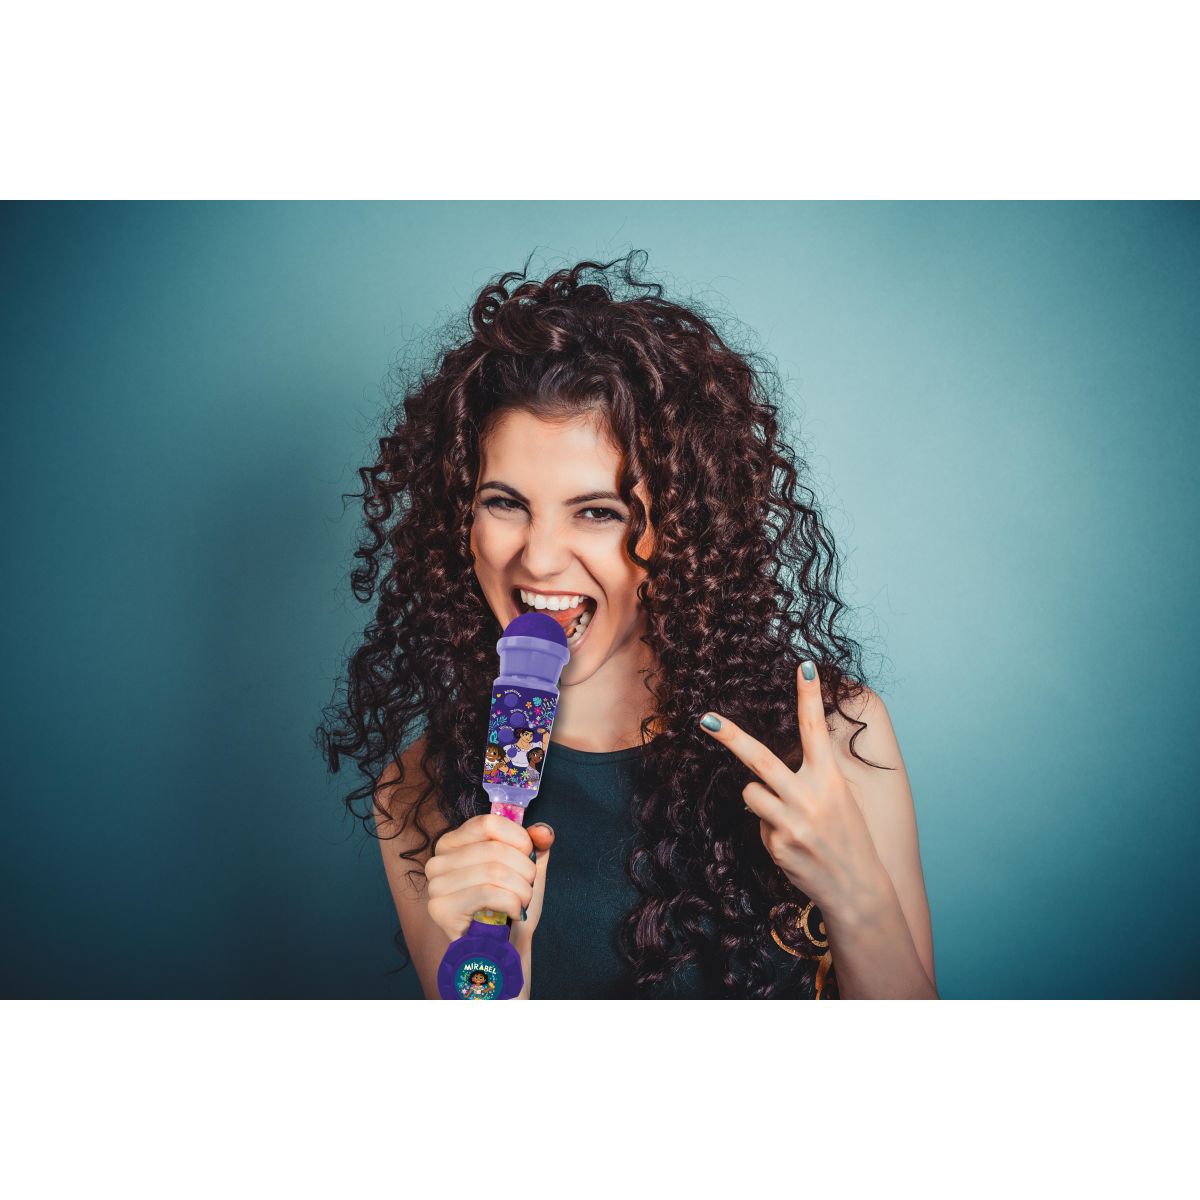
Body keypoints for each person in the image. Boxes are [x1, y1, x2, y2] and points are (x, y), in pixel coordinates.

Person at [316, 251, 938, 999]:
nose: (539, 558)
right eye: (504, 503)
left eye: (598, 512)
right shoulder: (419, 793)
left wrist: (855, 893)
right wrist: (490, 978)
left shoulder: (831, 741)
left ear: (679, 529)